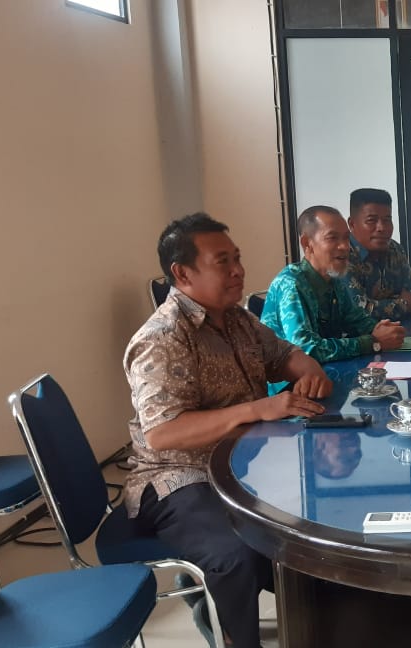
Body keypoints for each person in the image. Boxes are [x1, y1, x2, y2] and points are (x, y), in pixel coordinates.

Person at [124, 213, 334, 648]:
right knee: (236, 554)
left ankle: (319, 621)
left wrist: (308, 371)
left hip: (243, 460)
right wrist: (257, 408)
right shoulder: (162, 336)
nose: (238, 270)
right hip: (178, 475)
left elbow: (285, 355)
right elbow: (162, 432)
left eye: (236, 258)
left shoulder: (236, 319)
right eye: (223, 262)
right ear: (183, 273)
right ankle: (236, 636)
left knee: (314, 520)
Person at [261, 205, 406, 369]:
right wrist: (372, 342)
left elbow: (358, 322)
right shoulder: (291, 283)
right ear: (307, 243)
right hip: (291, 382)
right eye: (332, 238)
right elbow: (305, 350)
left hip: (327, 372)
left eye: (346, 238)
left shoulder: (334, 281)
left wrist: (384, 331)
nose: (345, 246)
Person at [344, 189, 411, 319]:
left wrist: (379, 305)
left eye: (387, 220)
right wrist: (402, 304)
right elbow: (357, 311)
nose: (381, 228)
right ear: (352, 224)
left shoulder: (394, 249)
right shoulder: (341, 255)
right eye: (371, 221)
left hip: (402, 328)